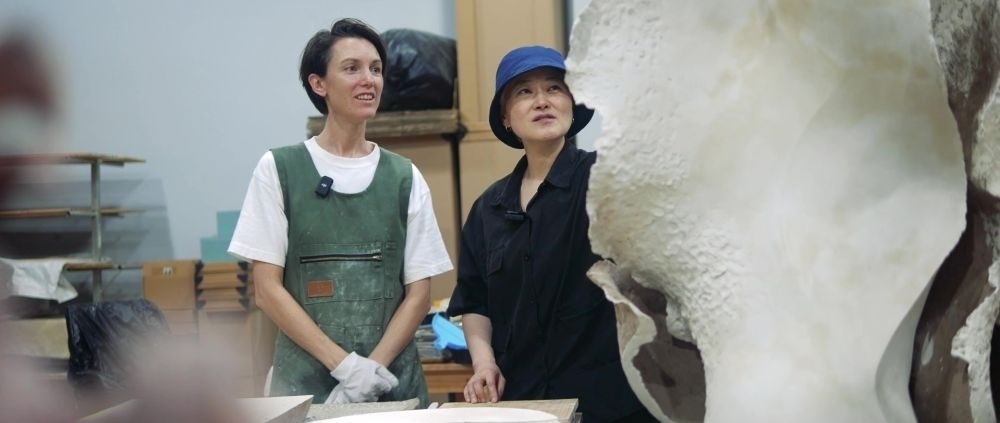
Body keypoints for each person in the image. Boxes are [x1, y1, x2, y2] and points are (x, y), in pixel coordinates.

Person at [228, 18, 452, 406]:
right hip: (304, 387)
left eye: (376, 69)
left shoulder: (405, 177)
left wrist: (369, 373)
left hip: (388, 384)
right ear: (319, 84)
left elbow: (418, 294)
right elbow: (266, 290)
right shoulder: (278, 170)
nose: (369, 80)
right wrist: (346, 367)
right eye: (352, 68)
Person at [446, 45, 655, 422]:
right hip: (524, 403)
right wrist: (484, 363)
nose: (541, 100)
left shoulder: (605, 180)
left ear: (572, 103)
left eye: (554, 88)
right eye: (524, 91)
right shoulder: (487, 209)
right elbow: (475, 302)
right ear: (506, 118)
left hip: (613, 403)